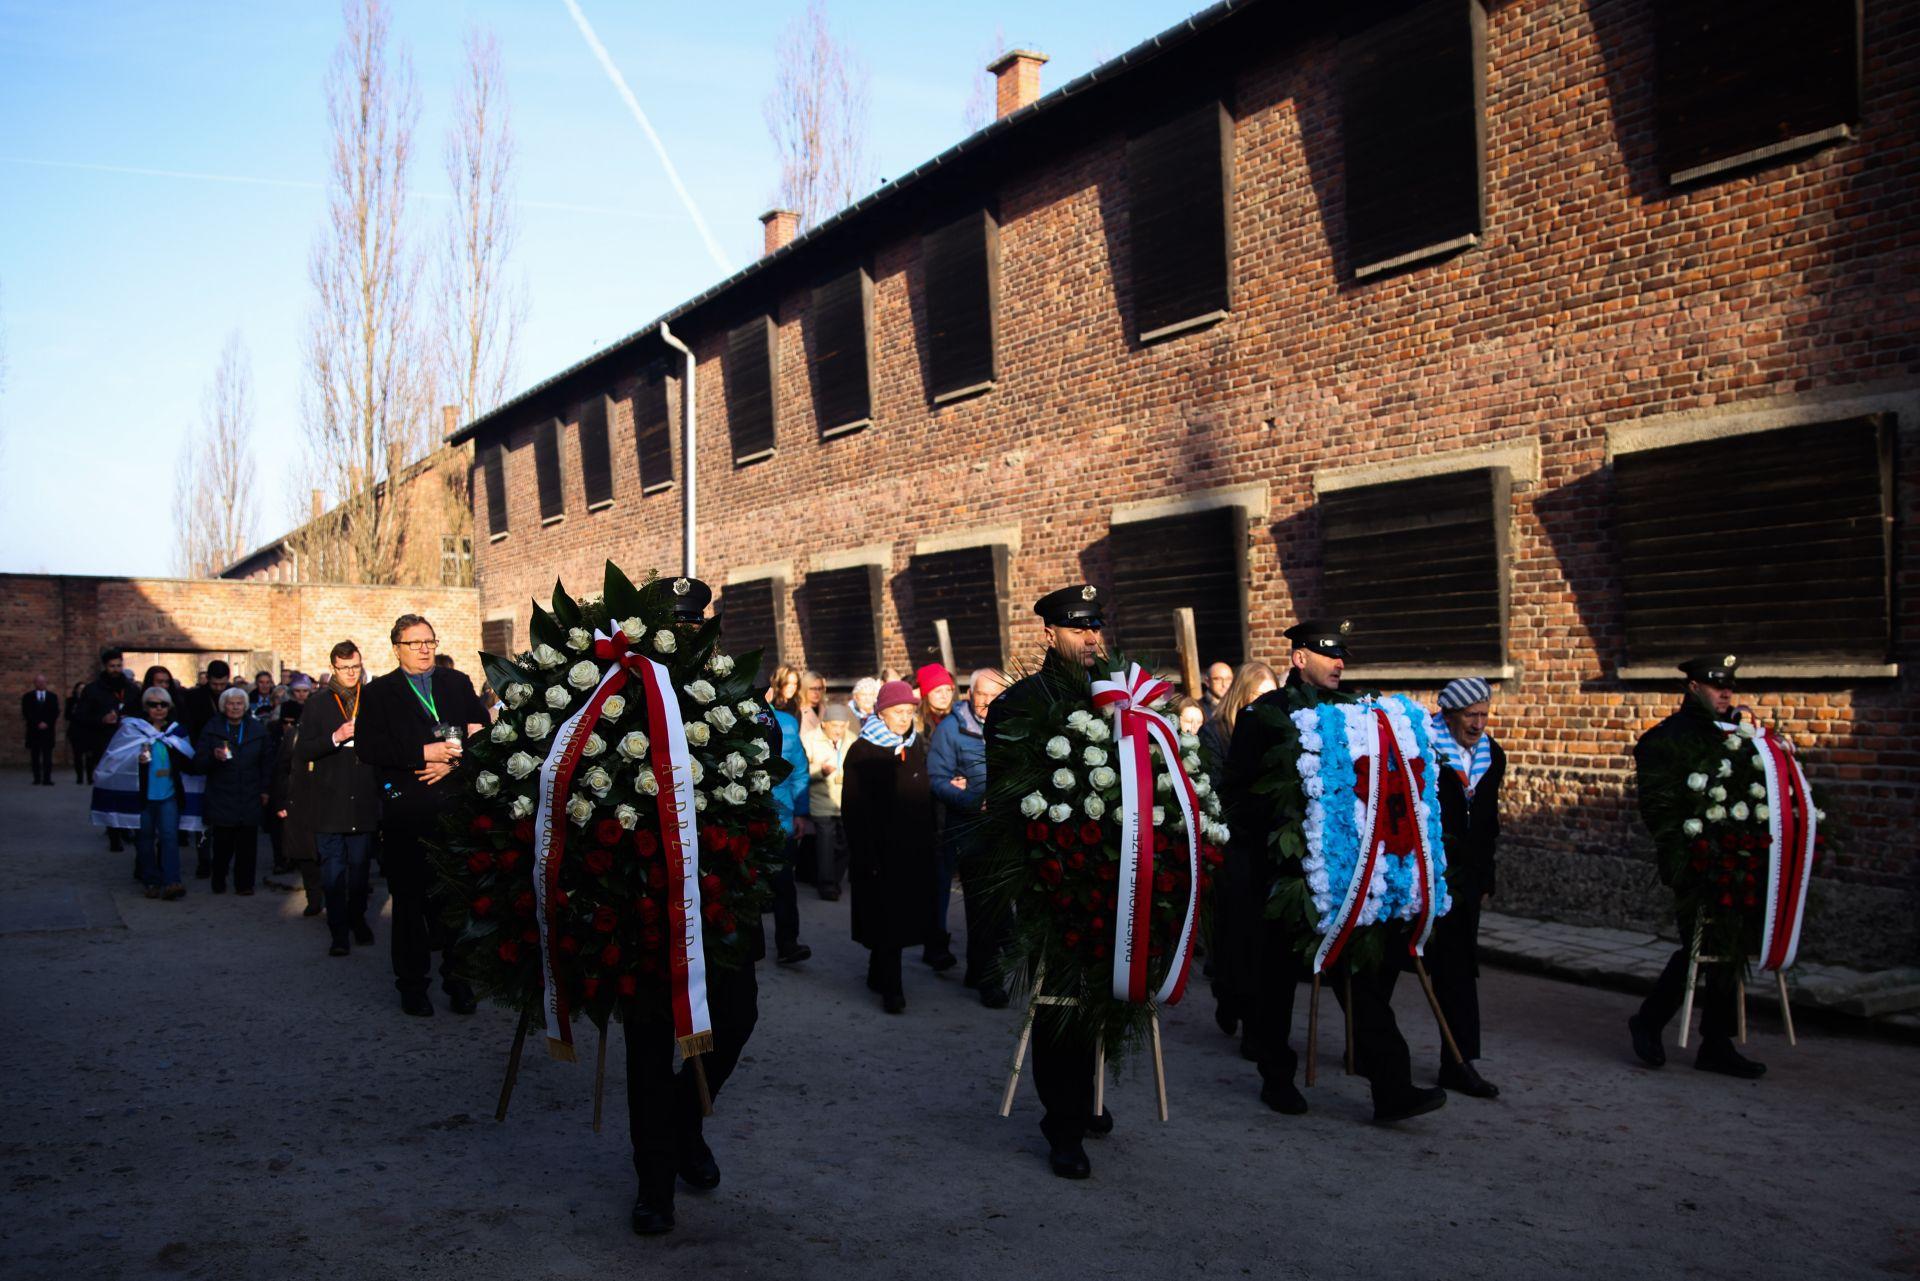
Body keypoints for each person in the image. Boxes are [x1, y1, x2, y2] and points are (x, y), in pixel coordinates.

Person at [1223, 619, 1446, 1124]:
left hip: (1346, 877)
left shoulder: (1354, 714)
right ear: (1299, 658)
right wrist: (1288, 830)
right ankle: (1276, 1078)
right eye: (1328, 654)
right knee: (1276, 981)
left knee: (1361, 980)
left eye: (1342, 654)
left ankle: (1393, 1088)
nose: (1340, 662)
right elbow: (1236, 794)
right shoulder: (1266, 715)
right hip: (1285, 877)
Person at [623, 577, 763, 1237]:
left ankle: (686, 1123)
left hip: (720, 896)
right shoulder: (617, 695)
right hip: (644, 902)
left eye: (694, 622)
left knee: (735, 1017)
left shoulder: (734, 695)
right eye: (674, 623)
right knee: (650, 1045)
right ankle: (654, 1183)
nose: (686, 634)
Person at [984, 584, 1116, 1178]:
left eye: (1096, 626)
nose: (1091, 637)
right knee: (1061, 997)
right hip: (1054, 875)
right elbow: (1008, 799)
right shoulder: (1019, 705)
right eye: (1077, 627)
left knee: (1104, 991)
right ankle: (1062, 1125)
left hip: (1115, 871)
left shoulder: (1120, 697)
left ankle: (1088, 1094)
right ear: (1049, 634)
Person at [1627, 654, 1766, 1080]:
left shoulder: (1738, 735)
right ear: (1692, 687)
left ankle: (1716, 1043)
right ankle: (1649, 1022)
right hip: (1697, 861)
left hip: (1738, 857)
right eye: (1714, 685)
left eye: (1729, 686)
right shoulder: (1667, 739)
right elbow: (1659, 809)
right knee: (1698, 945)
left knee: (1732, 943)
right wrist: (1684, 855)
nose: (1725, 693)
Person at [355, 613, 486, 1017]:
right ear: (397, 648)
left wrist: (453, 763)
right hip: (407, 813)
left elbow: (480, 729)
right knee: (409, 905)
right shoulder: (379, 693)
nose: (425, 648)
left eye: (429, 640)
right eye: (415, 643)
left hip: (454, 807)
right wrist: (421, 754)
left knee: (456, 901)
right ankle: (413, 986)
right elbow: (368, 748)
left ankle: (459, 982)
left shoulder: (456, 682)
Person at [1427, 677, 1505, 1099]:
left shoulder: (1493, 755)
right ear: (1449, 715)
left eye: (1483, 715)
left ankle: (1458, 1061)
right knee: (1386, 963)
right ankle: (1367, 1047)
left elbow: (1489, 822)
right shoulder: (1425, 750)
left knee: (1457, 967)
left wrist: (1485, 875)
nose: (1477, 724)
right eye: (1469, 716)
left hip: (1465, 881)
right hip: (1423, 873)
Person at [1197, 661, 1278, 1047]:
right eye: (1259, 696)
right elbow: (1213, 791)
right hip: (1229, 845)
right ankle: (1229, 999)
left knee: (1259, 946)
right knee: (1234, 940)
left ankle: (1257, 1028)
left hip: (1265, 847)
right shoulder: (1216, 732)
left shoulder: (1279, 734)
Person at [842, 680, 934, 1013]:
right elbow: (853, 808)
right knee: (887, 917)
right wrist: (864, 854)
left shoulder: (915, 744)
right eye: (897, 712)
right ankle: (892, 989)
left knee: (897, 917)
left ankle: (876, 973)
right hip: (879, 852)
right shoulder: (863, 751)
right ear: (881, 713)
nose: (904, 718)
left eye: (909, 711)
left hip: (911, 849)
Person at [295, 641, 380, 956]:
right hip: (329, 801)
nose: (350, 674)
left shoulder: (371, 700)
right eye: (344, 668)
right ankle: (338, 930)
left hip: (363, 800)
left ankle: (357, 919)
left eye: (355, 667)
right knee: (333, 871)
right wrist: (335, 737)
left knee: (359, 871)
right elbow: (303, 748)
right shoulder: (318, 703)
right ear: (333, 668)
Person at [929, 668, 1008, 1007]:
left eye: (995, 695)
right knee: (984, 904)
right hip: (969, 828)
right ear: (970, 692)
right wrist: (972, 801)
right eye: (982, 694)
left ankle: (978, 970)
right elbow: (937, 778)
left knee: (998, 905)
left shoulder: (1010, 724)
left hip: (1007, 827)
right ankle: (990, 979)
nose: (987, 702)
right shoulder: (951, 728)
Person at [190, 687, 270, 896]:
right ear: (223, 706)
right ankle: (219, 878)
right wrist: (213, 757)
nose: (235, 707)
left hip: (250, 793)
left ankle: (245, 884)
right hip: (221, 794)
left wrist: (265, 789)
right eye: (230, 703)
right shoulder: (212, 728)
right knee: (223, 844)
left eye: (239, 703)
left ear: (245, 706)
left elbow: (267, 762)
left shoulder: (257, 730)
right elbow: (198, 763)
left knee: (247, 845)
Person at [122, 687, 193, 900]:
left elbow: (189, 760)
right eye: (153, 704)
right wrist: (137, 759)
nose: (159, 708)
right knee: (144, 839)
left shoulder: (176, 731)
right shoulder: (135, 731)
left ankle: (172, 880)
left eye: (163, 704)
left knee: (170, 837)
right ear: (146, 707)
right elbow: (120, 760)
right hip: (144, 795)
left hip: (168, 795)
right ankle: (150, 880)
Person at [766, 677, 813, 966]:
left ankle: (788, 943)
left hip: (781, 816)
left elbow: (799, 770)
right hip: (748, 818)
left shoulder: (787, 723)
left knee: (784, 882)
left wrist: (800, 812)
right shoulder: (732, 721)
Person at [267, 695, 324, 915]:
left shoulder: (335, 733)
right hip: (299, 801)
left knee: (328, 852)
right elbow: (281, 770)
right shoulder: (294, 735)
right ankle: (314, 899)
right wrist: (280, 801)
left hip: (326, 800)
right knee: (306, 853)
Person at [77, 649, 139, 843]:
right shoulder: (93, 690)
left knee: (129, 786)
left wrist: (131, 719)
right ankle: (112, 829)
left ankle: (126, 825)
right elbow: (81, 717)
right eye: (112, 666)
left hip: (128, 746)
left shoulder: (131, 689)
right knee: (108, 787)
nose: (116, 669)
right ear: (105, 666)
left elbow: (141, 713)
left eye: (119, 665)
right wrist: (101, 719)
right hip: (103, 745)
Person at [802, 703, 856, 899]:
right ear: (824, 724)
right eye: (834, 726)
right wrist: (819, 770)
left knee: (845, 844)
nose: (839, 731)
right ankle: (826, 885)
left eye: (843, 726)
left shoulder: (852, 740)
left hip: (845, 802)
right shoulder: (809, 740)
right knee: (825, 843)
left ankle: (834, 879)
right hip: (821, 802)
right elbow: (800, 771)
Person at [21, 675, 58, 786]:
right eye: (38, 682)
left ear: (46, 683)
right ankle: (37, 778)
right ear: (35, 683)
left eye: (43, 682)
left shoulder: (52, 697)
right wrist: (38, 723)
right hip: (34, 731)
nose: (41, 684)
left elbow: (55, 712)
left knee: (47, 757)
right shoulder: (27, 697)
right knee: (35, 756)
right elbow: (26, 713)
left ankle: (47, 779)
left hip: (48, 731)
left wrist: (46, 723)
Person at [178, 659, 230, 738]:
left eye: (222, 684)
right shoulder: (194, 696)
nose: (218, 688)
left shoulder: (236, 695)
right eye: (214, 684)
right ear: (207, 678)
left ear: (228, 678)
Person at [65, 680, 89, 783]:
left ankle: (89, 777)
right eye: (80, 689)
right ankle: (79, 777)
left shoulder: (90, 701)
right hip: (75, 731)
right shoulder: (71, 701)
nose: (81, 691)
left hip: (87, 730)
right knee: (77, 755)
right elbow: (67, 715)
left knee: (89, 756)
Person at [799, 670, 827, 735]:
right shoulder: (799, 712)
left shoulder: (825, 710)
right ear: (805, 689)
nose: (816, 692)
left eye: (819, 688)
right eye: (812, 688)